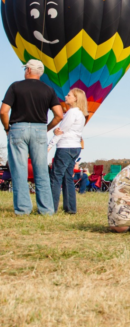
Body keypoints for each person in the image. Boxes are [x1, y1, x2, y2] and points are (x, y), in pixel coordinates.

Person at [1, 59, 64, 215]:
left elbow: (3, 111)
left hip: (18, 128)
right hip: (39, 130)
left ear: (28, 70)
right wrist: (46, 128)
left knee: (19, 171)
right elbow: (59, 115)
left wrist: (7, 128)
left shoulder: (15, 86)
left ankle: (23, 209)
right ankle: (46, 210)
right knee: (41, 171)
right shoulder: (49, 90)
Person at [49, 88, 88, 214]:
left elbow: (61, 131)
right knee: (67, 177)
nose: (66, 96)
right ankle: (70, 208)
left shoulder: (71, 113)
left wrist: (49, 145)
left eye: (69, 95)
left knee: (56, 176)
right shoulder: (81, 114)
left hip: (65, 146)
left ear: (76, 98)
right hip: (75, 146)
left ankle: (51, 208)